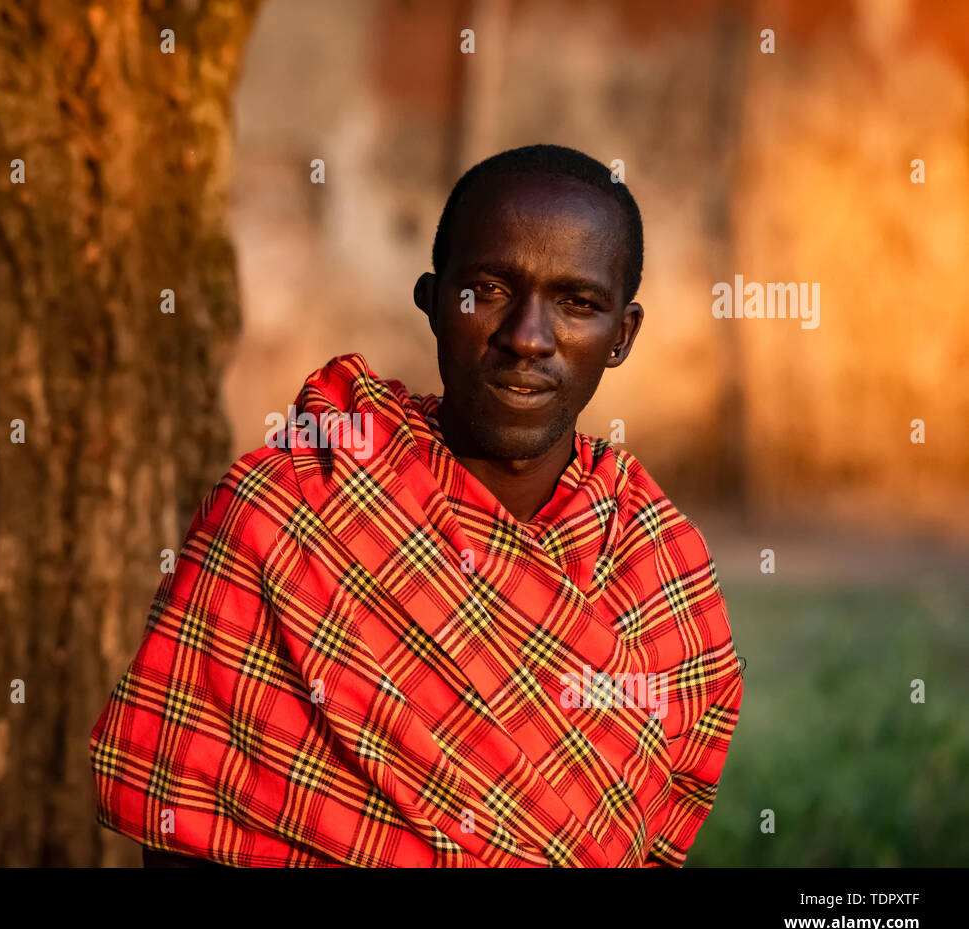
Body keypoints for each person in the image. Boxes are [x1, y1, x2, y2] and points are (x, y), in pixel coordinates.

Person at [91, 144, 743, 867]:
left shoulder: (662, 570)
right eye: (489, 290)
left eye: (577, 303)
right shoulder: (285, 515)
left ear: (621, 335)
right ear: (432, 301)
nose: (526, 338)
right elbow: (188, 830)